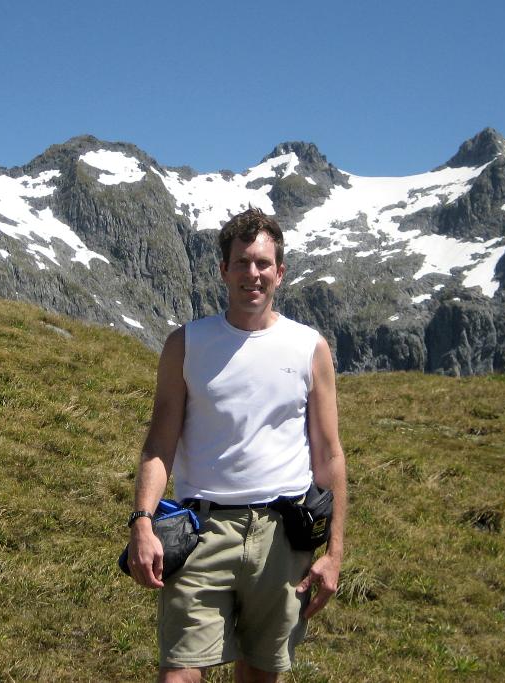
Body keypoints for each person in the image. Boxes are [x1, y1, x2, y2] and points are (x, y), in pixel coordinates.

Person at [127, 207, 348, 683]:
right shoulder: (186, 344)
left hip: (282, 537)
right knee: (179, 674)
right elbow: (159, 444)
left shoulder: (309, 347)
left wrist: (334, 552)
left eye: (263, 264)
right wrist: (143, 522)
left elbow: (329, 453)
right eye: (242, 263)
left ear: (280, 272)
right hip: (201, 531)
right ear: (223, 270)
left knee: (260, 674)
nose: (253, 274)